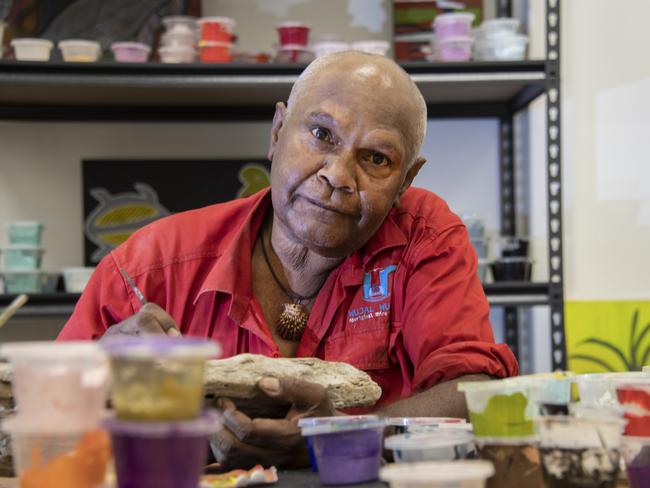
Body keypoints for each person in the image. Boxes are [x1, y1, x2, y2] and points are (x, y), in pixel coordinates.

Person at [58, 51, 517, 468]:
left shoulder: (423, 237)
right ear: (277, 133)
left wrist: (338, 438)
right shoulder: (149, 266)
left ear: (405, 181)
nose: (338, 176)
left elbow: (474, 392)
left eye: (376, 158)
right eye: (321, 134)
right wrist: (103, 375)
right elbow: (42, 414)